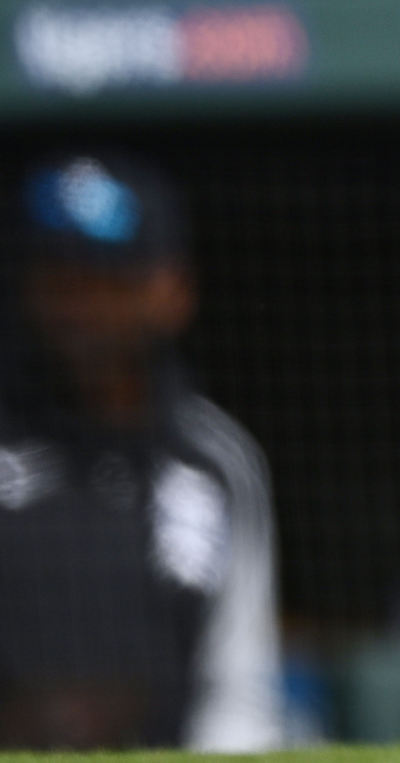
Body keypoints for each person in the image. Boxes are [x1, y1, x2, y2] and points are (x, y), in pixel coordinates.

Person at [0, 150, 282, 750]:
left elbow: (237, 689)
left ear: (170, 292)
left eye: (106, 282)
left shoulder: (215, 459)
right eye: (58, 280)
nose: (78, 308)